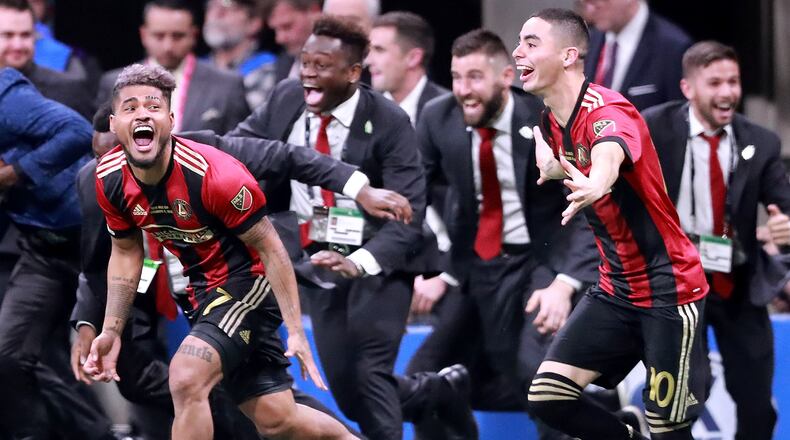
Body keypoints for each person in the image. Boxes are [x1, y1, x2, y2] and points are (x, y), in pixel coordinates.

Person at [84, 63, 356, 440]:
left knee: (185, 376)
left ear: (171, 119)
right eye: (130, 108)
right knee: (277, 420)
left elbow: (272, 249)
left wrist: (296, 331)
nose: (142, 114)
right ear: (114, 124)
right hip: (202, 290)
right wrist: (111, 330)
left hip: (251, 280)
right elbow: (126, 254)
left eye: (153, 106)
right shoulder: (109, 176)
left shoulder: (214, 175)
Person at [228, 15, 430, 439]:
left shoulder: (390, 120)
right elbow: (238, 147)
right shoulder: (286, 96)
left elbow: (409, 217)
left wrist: (356, 263)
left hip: (378, 264)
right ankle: (434, 394)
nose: (308, 72)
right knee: (346, 388)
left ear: (354, 73)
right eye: (305, 61)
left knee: (370, 374)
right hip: (314, 262)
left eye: (322, 65)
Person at [513, 8, 709, 440]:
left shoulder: (609, 109)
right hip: (615, 289)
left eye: (530, 43)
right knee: (548, 397)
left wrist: (594, 184)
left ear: (568, 56)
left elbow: (608, 153)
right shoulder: (550, 121)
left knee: (668, 430)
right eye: (519, 43)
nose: (517, 52)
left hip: (668, 290)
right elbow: (590, 165)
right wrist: (563, 174)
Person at [403, 28, 598, 440]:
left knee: (535, 373)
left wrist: (564, 284)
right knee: (421, 376)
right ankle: (602, 409)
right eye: (456, 77)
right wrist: (433, 271)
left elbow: (586, 209)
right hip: (475, 268)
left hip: (539, 264)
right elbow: (411, 199)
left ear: (505, 77)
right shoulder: (438, 118)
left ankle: (600, 419)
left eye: (474, 77)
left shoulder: (547, 120)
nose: (463, 90)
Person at [642, 41, 790, 440]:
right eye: (715, 83)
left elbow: (784, 206)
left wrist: (787, 227)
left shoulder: (762, 141)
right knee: (687, 397)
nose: (727, 93)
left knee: (758, 404)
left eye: (734, 81)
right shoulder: (652, 128)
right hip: (675, 283)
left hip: (737, 282)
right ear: (688, 88)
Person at [0, 67, 108, 439]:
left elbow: (78, 131)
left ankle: (241, 427)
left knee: (134, 373)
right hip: (39, 251)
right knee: (8, 356)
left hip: (92, 245)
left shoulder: (6, 97)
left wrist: (12, 174)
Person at [97, 0, 250, 134]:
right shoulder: (113, 83)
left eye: (178, 36)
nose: (168, 46)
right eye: (159, 36)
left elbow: (238, 150)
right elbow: (102, 147)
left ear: (194, 35)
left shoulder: (227, 85)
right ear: (143, 35)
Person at [579, 0, 692, 111]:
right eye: (586, 2)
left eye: (599, 1)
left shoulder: (673, 47)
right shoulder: (588, 40)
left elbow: (678, 118)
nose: (590, 9)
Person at [366, 11, 447, 127]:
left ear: (413, 58)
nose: (368, 61)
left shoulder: (449, 111)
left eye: (379, 50)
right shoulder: (363, 109)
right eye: (369, 50)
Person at [203, 0, 279, 109]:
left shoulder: (268, 69)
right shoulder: (196, 67)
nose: (216, 14)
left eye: (228, 6)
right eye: (212, 6)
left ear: (254, 23)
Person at [266, 0, 322, 82]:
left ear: (314, 11)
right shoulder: (282, 66)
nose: (280, 39)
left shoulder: (339, 65)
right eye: (275, 30)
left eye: (287, 26)